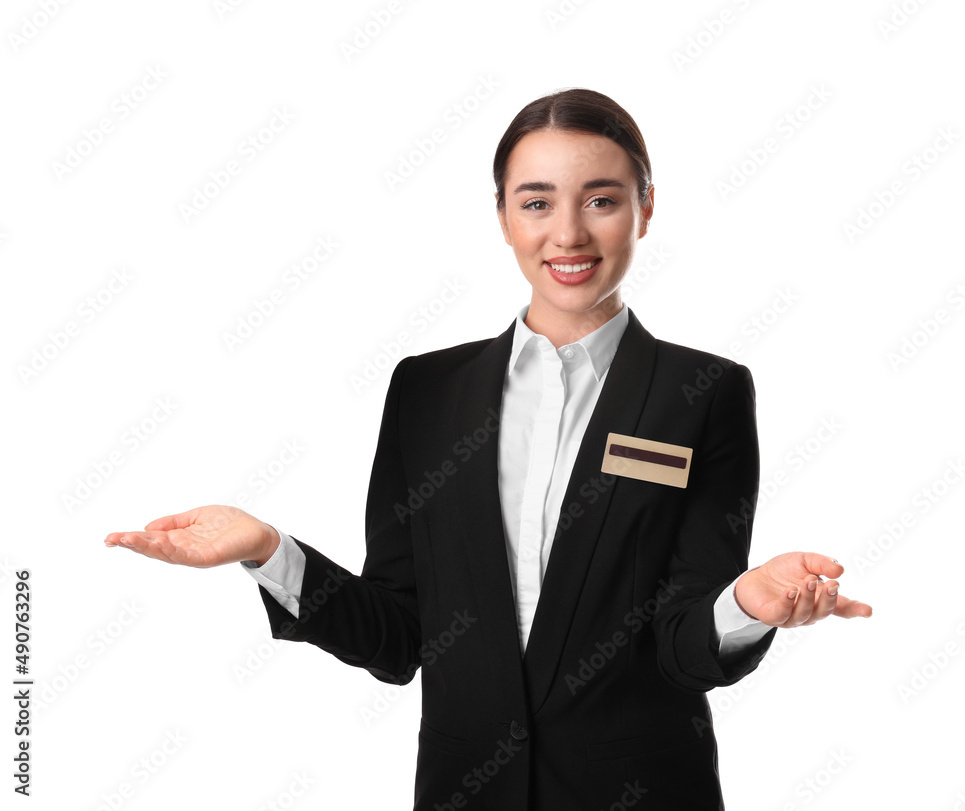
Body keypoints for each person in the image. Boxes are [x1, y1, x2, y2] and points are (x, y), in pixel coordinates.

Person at [104, 88, 872, 810]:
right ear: (503, 215)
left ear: (644, 209)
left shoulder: (705, 391)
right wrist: (269, 549)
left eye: (601, 200)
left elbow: (681, 648)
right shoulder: (426, 392)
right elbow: (402, 635)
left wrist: (747, 605)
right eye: (536, 202)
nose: (567, 234)